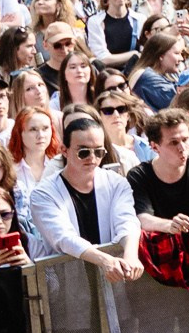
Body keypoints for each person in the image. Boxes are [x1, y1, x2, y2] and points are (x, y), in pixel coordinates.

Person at [27, 114, 139, 281]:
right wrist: (104, 260)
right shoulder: (43, 193)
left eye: (99, 152)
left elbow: (127, 221)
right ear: (64, 151)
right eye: (84, 152)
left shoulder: (117, 183)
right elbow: (63, 236)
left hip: (114, 281)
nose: (92, 158)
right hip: (68, 284)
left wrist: (131, 255)